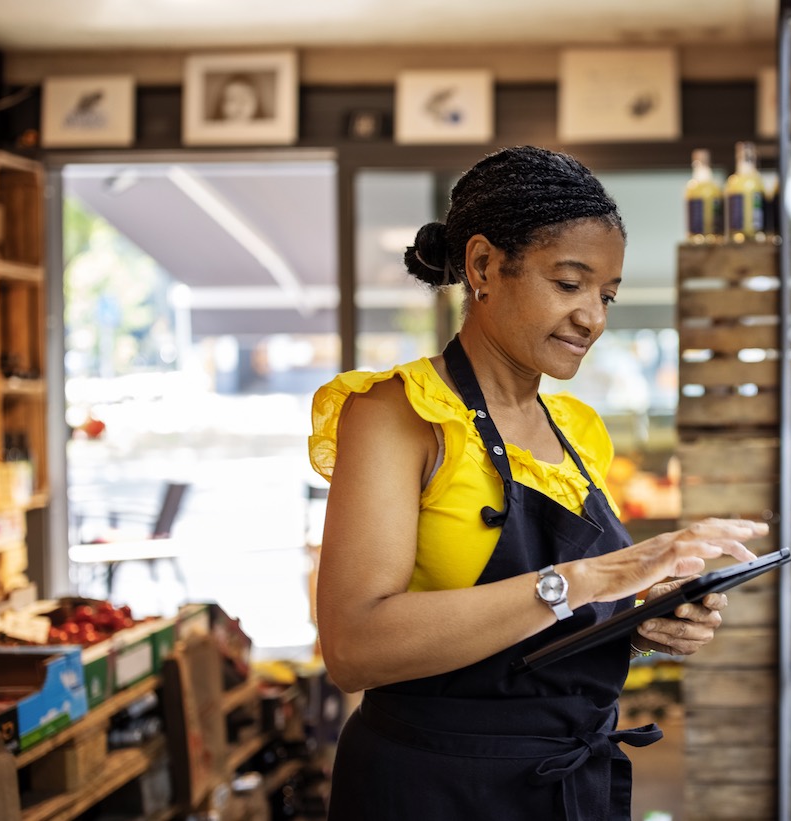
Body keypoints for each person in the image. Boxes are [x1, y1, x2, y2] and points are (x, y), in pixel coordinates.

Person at [308, 145, 766, 819]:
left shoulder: (577, 432)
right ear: (483, 267)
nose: (594, 318)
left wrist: (638, 622)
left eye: (607, 295)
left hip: (564, 789)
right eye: (570, 284)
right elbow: (353, 647)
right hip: (433, 790)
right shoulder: (398, 415)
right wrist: (595, 578)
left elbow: (537, 633)